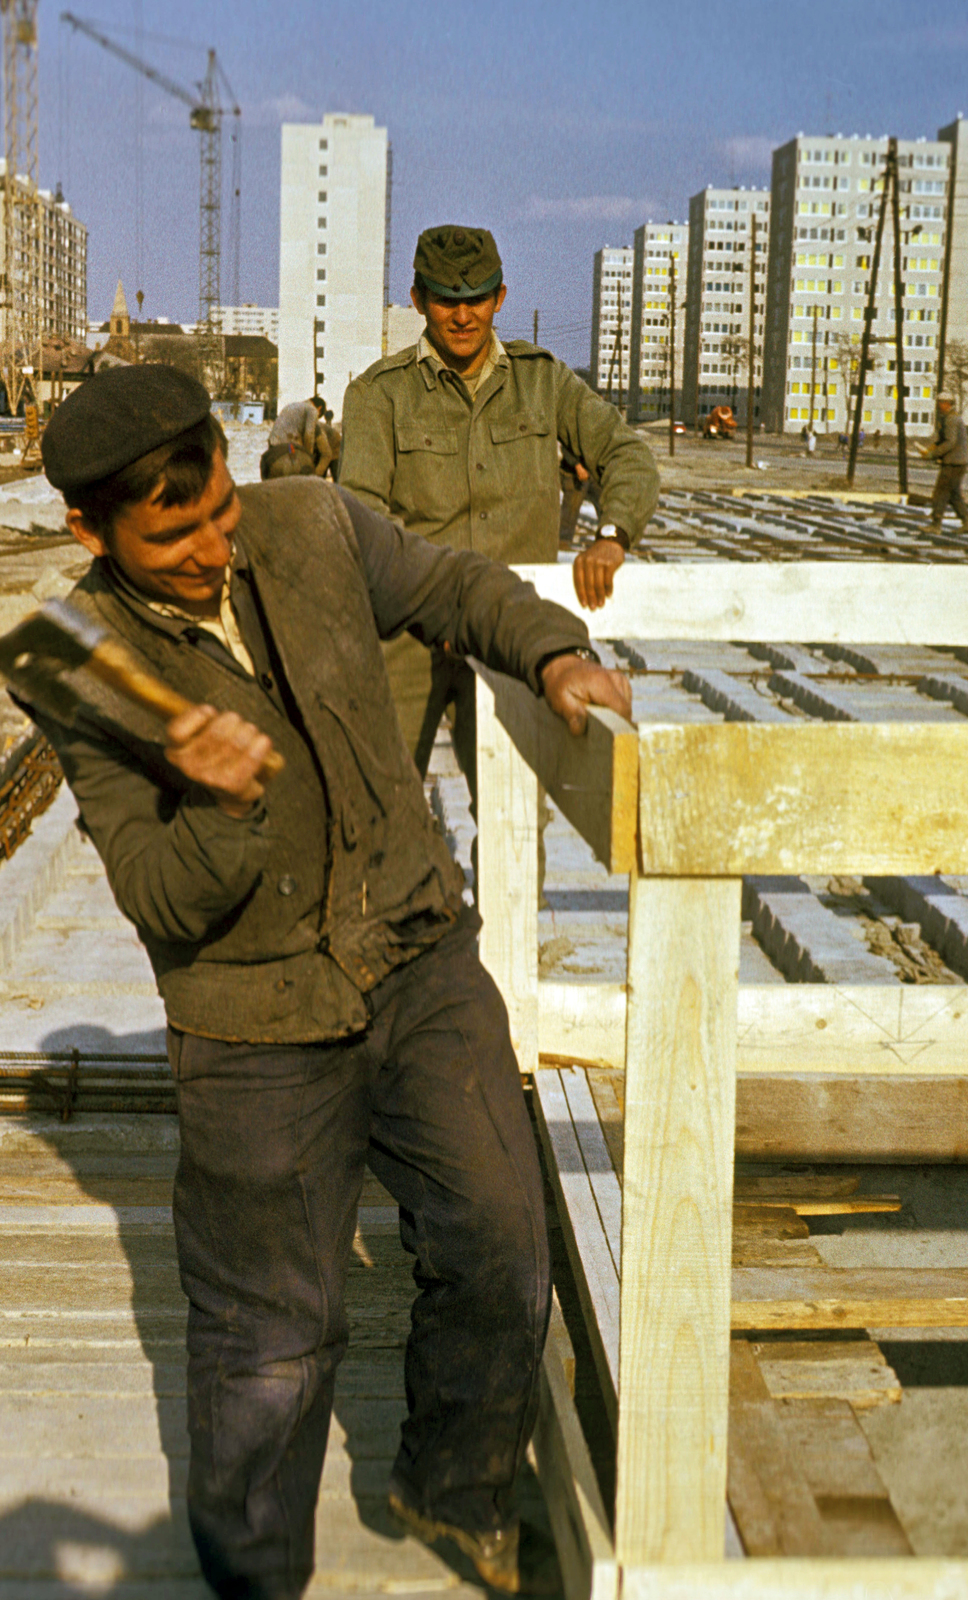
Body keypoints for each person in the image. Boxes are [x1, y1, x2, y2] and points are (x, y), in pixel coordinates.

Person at [31, 364, 631, 1600]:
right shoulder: (72, 658)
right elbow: (156, 896)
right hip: (253, 1021)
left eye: (218, 512)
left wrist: (554, 653)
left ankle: (452, 1485)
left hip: (416, 951)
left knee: (507, 1238)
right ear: (88, 529)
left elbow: (458, 586)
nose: (210, 550)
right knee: (269, 1347)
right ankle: (256, 1579)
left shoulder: (308, 520)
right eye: (171, 535)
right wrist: (218, 803)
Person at [338, 224, 659, 811]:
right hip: (410, 634)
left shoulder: (544, 382)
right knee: (377, 808)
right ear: (417, 301)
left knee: (515, 818)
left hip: (511, 632)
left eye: (477, 299)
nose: (463, 316)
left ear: (500, 298)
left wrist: (612, 536)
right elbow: (362, 516)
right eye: (446, 300)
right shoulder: (377, 395)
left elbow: (626, 452)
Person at [922, 393, 968, 532]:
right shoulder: (950, 418)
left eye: (941, 402)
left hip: (953, 464)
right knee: (954, 495)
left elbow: (950, 442)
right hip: (958, 463)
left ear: (947, 403)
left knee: (941, 493)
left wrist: (933, 454)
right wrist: (930, 450)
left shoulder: (951, 420)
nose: (938, 405)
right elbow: (942, 440)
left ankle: (935, 525)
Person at [261, 394, 337, 480]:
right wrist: (308, 457)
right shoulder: (312, 410)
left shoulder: (291, 406)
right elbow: (309, 434)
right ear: (319, 408)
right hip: (290, 450)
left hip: (273, 450)